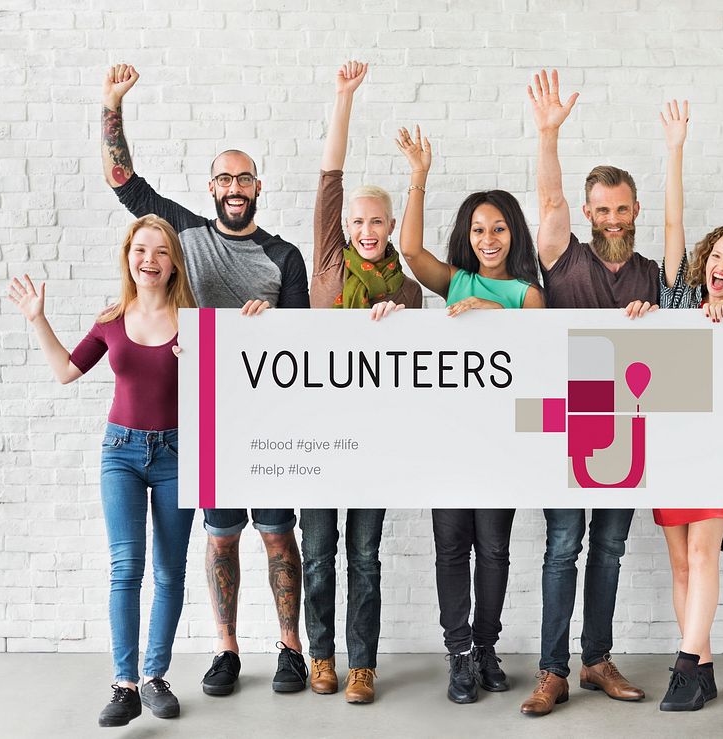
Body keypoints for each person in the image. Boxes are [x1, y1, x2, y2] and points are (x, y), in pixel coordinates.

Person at [100, 64, 311, 698]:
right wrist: (111, 103)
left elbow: (306, 343)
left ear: (259, 188)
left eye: (245, 177)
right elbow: (123, 183)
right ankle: (225, 651)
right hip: (207, 422)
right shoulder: (184, 235)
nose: (235, 186)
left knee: (278, 533)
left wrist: (269, 321)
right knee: (221, 540)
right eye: (225, 177)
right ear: (212, 187)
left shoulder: (284, 256)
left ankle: (290, 649)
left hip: (269, 423)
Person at [8, 216, 197, 727]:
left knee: (170, 569)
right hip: (121, 452)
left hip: (181, 453)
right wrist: (36, 318)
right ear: (128, 256)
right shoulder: (112, 318)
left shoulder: (196, 321)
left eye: (160, 251)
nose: (149, 260)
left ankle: (156, 677)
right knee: (126, 566)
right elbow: (67, 371)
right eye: (140, 250)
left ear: (173, 261)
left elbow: (225, 391)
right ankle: (125, 684)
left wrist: (200, 361)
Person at [629, 101, 723, 711]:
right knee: (680, 565)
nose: (722, 266)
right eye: (718, 256)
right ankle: (704, 663)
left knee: (703, 552)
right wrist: (676, 150)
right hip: (672, 452)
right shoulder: (679, 295)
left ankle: (685, 666)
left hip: (719, 454)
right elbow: (672, 224)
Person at [520, 68, 653, 717]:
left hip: (626, 435)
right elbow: (548, 206)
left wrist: (651, 319)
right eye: (600, 208)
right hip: (567, 428)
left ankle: (596, 658)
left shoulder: (651, 273)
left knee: (610, 546)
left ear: (634, 212)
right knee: (563, 546)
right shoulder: (563, 255)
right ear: (587, 210)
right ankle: (552, 671)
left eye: (621, 208)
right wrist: (549, 135)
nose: (611, 219)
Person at [395, 124, 544, 704]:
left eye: (499, 228)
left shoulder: (529, 294)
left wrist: (494, 316)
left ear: (514, 233)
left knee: (496, 549)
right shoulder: (454, 280)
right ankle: (458, 653)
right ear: (468, 235)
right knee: (451, 547)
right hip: (450, 440)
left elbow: (539, 360)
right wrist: (418, 178)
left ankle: (486, 647)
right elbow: (409, 251)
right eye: (479, 229)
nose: (488, 238)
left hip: (502, 442)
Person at [302, 60, 422, 706]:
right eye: (357, 222)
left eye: (377, 222)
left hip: (373, 443)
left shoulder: (405, 289)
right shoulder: (327, 265)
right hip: (320, 438)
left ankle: (362, 665)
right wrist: (343, 97)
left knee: (365, 558)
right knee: (318, 553)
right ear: (344, 229)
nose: (367, 231)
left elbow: (416, 375)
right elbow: (330, 177)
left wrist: (401, 324)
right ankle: (321, 655)